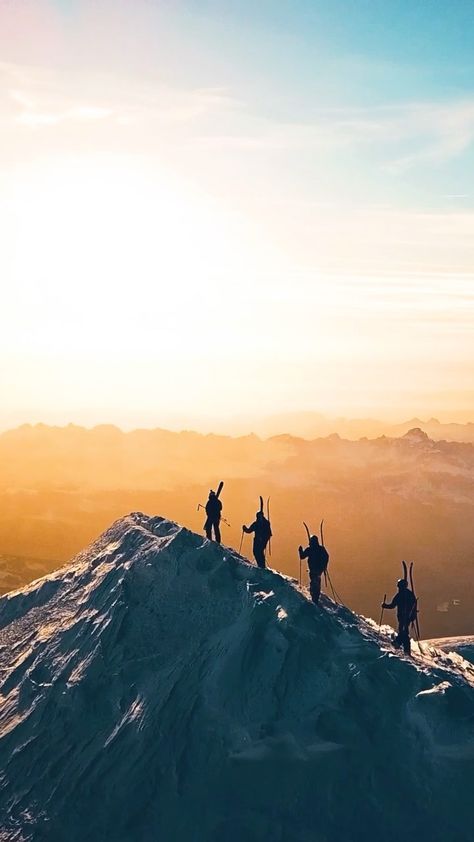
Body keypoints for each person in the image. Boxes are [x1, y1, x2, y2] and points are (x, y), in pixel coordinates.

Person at [382, 579, 417, 655]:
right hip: (406, 617)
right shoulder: (409, 594)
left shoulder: (401, 595)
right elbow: (414, 604)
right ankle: (404, 648)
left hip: (405, 617)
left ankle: (398, 644)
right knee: (404, 631)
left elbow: (392, 605)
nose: (398, 588)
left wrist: (385, 606)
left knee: (403, 631)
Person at [298, 535, 329, 604]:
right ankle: (315, 598)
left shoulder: (310, 549)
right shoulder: (321, 549)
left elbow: (302, 556)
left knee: (314, 582)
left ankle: (314, 598)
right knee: (316, 582)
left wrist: (300, 551)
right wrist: (324, 566)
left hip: (314, 570)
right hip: (318, 570)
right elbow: (326, 556)